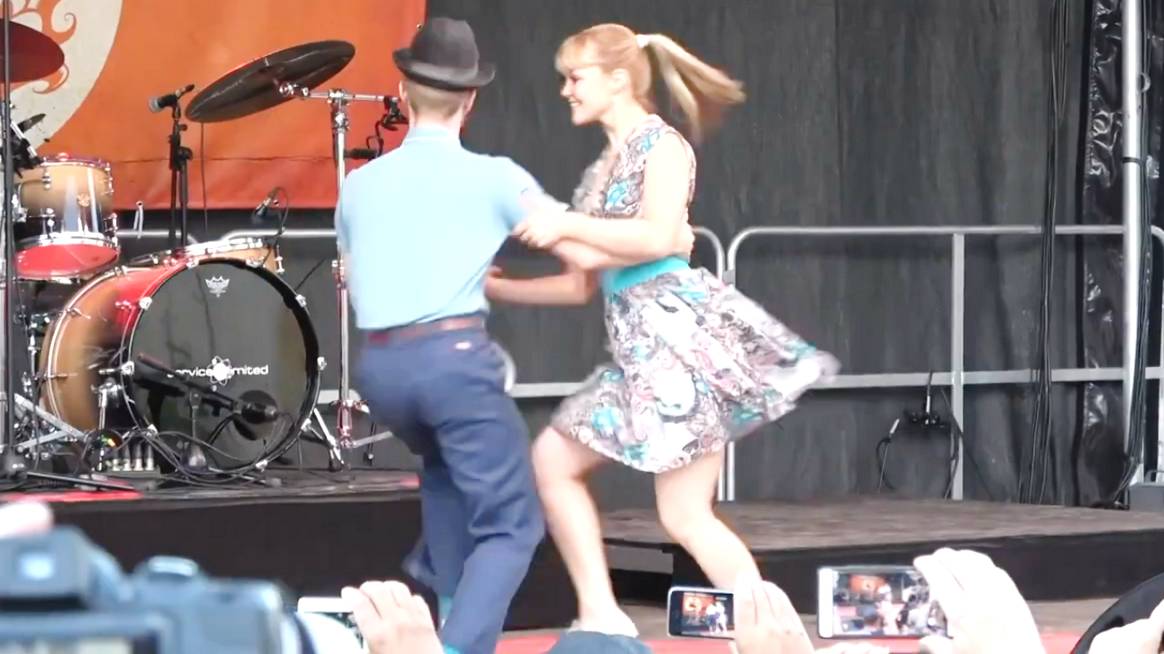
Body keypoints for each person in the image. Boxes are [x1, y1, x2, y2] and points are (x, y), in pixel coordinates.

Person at [486, 23, 840, 635]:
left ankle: (768, 635)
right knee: (568, 469)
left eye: (575, 78)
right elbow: (582, 281)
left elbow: (655, 237)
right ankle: (604, 611)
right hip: (640, 354)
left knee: (682, 514)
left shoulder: (663, 147)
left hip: (677, 343)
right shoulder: (602, 173)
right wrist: (497, 287)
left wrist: (566, 225)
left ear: (618, 79)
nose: (566, 90)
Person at [335, 17, 583, 654]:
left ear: (402, 91)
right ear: (471, 100)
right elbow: (581, 250)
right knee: (512, 525)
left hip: (381, 371)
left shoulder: (359, 185)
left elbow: (354, 280)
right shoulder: (495, 176)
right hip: (451, 364)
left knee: (446, 477)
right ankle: (457, 650)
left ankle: (444, 604)